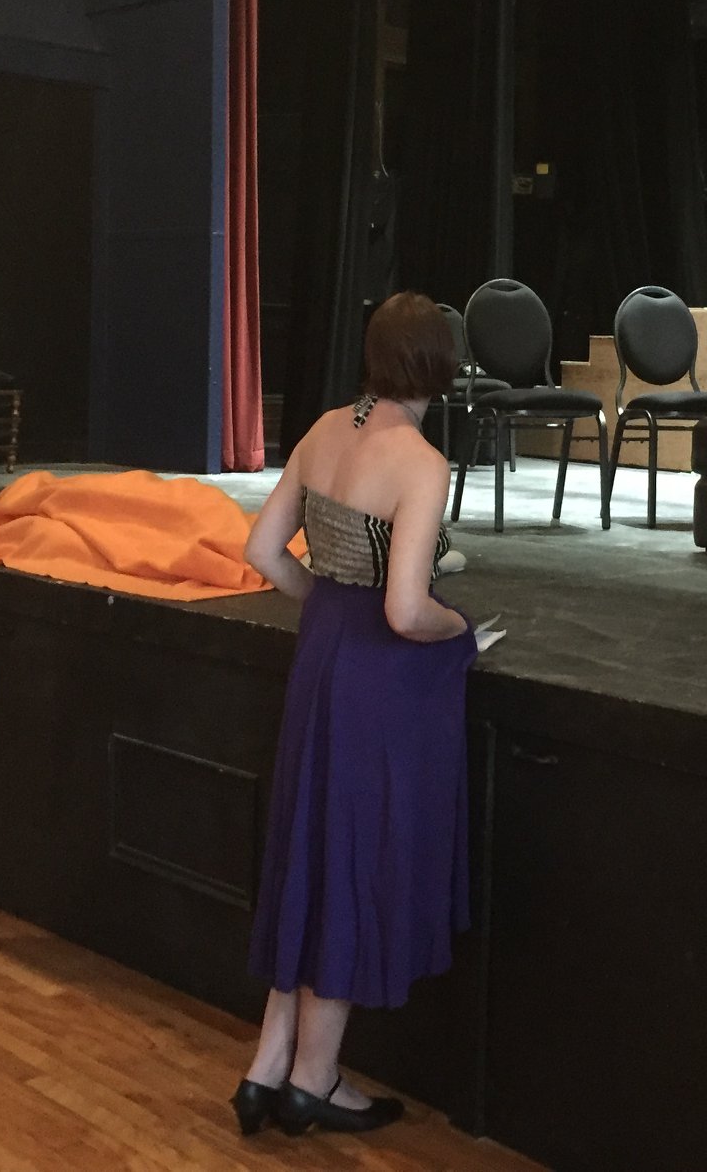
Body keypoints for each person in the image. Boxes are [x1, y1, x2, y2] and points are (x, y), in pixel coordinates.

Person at [231, 292, 478, 1139]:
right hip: (378, 677)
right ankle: (313, 1078)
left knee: (307, 848)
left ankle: (267, 1065)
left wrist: (324, 604)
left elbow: (262, 551)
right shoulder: (419, 461)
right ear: (440, 365)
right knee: (352, 858)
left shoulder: (323, 430)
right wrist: (461, 630)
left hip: (322, 653)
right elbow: (408, 610)